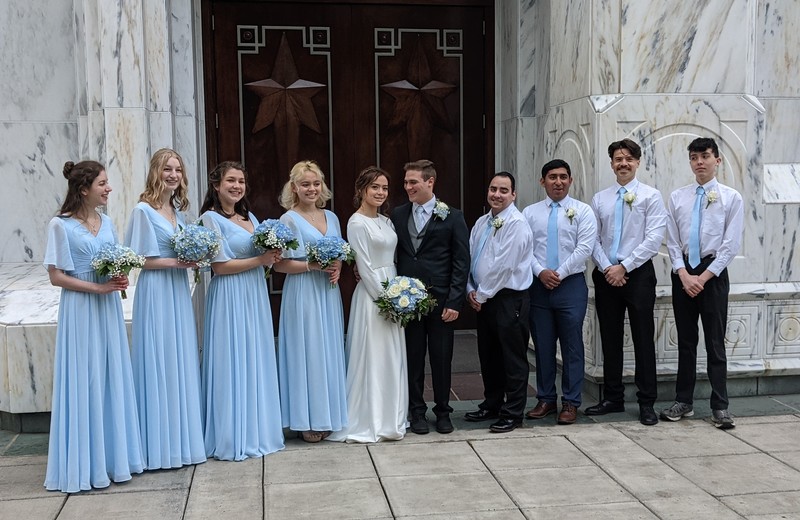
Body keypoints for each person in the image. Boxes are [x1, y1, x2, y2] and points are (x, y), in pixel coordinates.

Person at [44, 160, 144, 492]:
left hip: (107, 310)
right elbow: (57, 276)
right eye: (102, 183)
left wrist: (120, 276)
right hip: (81, 309)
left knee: (110, 375)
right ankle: (85, 465)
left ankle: (114, 460)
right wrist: (98, 287)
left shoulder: (109, 223)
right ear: (83, 189)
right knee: (85, 377)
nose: (109, 188)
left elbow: (116, 261)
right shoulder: (60, 226)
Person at [124, 148, 206, 469]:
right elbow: (139, 258)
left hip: (177, 290)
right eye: (167, 169)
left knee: (179, 359)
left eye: (178, 170)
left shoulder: (177, 212)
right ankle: (158, 447)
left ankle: (181, 441)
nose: (173, 175)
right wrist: (181, 261)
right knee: (159, 358)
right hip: (156, 291)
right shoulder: (143, 211)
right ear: (155, 173)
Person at [199, 161, 285, 459]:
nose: (237, 186)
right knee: (232, 358)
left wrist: (274, 254)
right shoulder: (210, 219)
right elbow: (220, 267)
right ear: (216, 185)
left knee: (255, 356)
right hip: (230, 295)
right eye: (231, 181)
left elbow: (263, 255)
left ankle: (258, 429)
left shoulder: (250, 217)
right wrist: (260, 261)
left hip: (254, 294)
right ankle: (232, 434)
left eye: (241, 181)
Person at [661, 137, 743, 429]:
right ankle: (684, 401)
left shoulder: (731, 197)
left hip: (713, 271)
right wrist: (683, 274)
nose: (700, 162)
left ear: (717, 160)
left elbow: (731, 244)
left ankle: (720, 406)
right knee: (686, 340)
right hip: (683, 271)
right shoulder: (677, 197)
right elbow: (671, 241)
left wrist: (704, 277)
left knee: (715, 341)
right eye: (694, 157)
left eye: (705, 156)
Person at [585, 139, 667, 426]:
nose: (623, 163)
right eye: (618, 159)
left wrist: (625, 266)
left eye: (628, 159)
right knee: (609, 338)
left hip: (638, 274)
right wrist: (608, 267)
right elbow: (592, 238)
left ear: (638, 162)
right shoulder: (600, 198)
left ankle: (647, 402)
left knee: (644, 339)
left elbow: (653, 238)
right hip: (606, 275)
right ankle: (613, 397)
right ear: (611, 163)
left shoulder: (651, 196)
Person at [389, 160, 470, 435]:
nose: (408, 187)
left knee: (441, 358)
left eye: (413, 182)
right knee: (412, 358)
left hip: (441, 300)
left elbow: (461, 262)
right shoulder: (398, 215)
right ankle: (417, 412)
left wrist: (454, 302)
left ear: (430, 183)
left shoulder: (453, 216)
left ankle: (443, 412)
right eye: (406, 182)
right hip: (407, 301)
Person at [328, 166, 408, 442]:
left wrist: (401, 293)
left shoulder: (387, 221)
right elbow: (364, 264)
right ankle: (370, 418)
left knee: (391, 355)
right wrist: (388, 300)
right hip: (374, 296)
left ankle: (392, 415)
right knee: (373, 355)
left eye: (384, 188)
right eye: (375, 187)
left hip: (394, 284)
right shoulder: (356, 222)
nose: (380, 192)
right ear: (362, 189)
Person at [273, 160, 347, 443]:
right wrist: (312, 267)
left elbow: (339, 251)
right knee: (308, 351)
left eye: (316, 184)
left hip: (328, 294)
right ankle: (306, 418)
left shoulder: (333, 217)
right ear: (294, 188)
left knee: (327, 350)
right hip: (303, 292)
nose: (312, 189)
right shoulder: (289, 220)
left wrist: (338, 266)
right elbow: (279, 266)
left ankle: (327, 413)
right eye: (305, 184)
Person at [523, 159, 597, 425]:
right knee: (542, 345)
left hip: (571, 285)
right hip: (539, 285)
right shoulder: (530, 213)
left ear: (571, 180)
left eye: (563, 177)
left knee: (572, 345)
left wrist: (559, 274)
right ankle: (545, 398)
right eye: (552, 177)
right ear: (542, 181)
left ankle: (571, 401)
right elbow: (525, 249)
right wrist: (541, 272)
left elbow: (584, 248)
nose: (558, 182)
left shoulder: (583, 211)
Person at [464, 172, 533, 433]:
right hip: (483, 298)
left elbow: (504, 266)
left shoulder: (516, 223)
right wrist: (470, 288)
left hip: (507, 299)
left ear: (513, 194)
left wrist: (480, 295)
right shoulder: (482, 221)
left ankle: (514, 412)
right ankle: (492, 403)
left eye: (504, 190)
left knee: (512, 358)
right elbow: (472, 258)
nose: (497, 194)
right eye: (493, 188)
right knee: (489, 355)